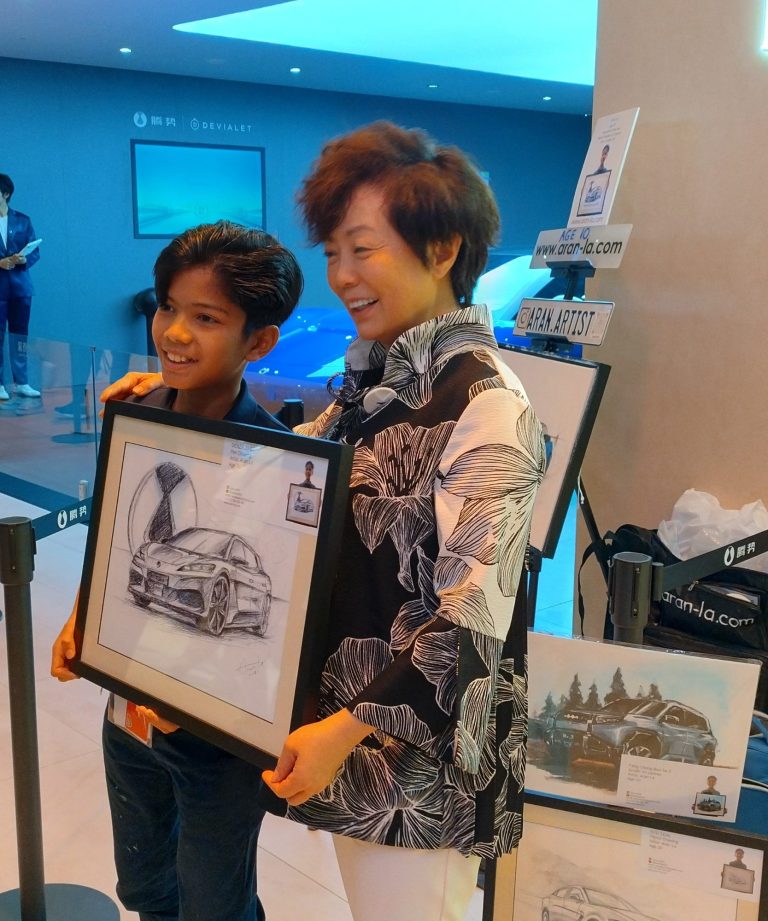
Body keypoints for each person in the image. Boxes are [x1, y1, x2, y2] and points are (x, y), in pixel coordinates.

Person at [100, 121, 545, 921]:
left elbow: (470, 623)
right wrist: (167, 410)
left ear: (443, 249)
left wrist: (341, 730)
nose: (341, 275)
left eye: (363, 249)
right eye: (334, 251)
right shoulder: (370, 389)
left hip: (420, 768)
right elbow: (272, 473)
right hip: (352, 742)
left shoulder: (486, 403)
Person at [51, 220, 303, 921]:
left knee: (215, 903)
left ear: (259, 341)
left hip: (217, 742)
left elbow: (277, 637)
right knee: (145, 887)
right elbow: (117, 542)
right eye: (168, 307)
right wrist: (83, 615)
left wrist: (198, 688)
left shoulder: (277, 462)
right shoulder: (136, 416)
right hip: (128, 709)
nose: (175, 333)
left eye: (206, 318)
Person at [0, 173, 41, 400]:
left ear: (6, 194)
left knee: (20, 337)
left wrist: (24, 259)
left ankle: (22, 382)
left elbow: (35, 251)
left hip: (20, 288)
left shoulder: (23, 220)